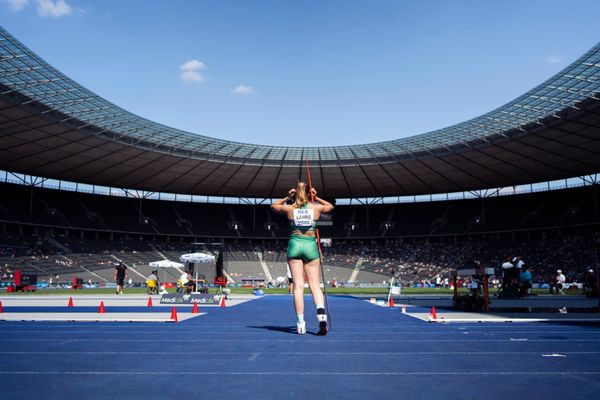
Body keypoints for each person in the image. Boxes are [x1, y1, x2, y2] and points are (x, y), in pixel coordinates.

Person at [271, 181, 334, 335]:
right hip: (311, 245)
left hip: (295, 244)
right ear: (307, 193)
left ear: (295, 193)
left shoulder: (290, 208)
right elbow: (331, 207)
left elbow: (273, 206)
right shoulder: (315, 208)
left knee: (298, 287)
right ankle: (321, 318)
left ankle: (300, 324)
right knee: (315, 287)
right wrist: (316, 197)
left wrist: (287, 197)